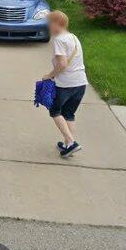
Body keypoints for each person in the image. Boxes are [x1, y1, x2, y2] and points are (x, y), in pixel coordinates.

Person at [41, 10, 88, 157]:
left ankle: (71, 142)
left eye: (49, 24)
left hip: (66, 84)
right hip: (81, 82)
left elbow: (62, 64)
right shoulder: (73, 37)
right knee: (69, 113)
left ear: (56, 24)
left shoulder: (59, 40)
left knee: (54, 111)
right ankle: (69, 146)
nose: (48, 27)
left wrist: (49, 76)